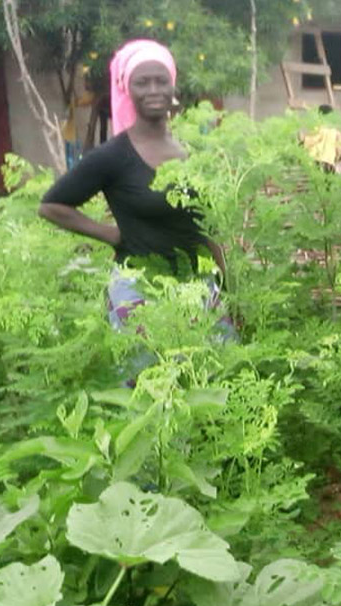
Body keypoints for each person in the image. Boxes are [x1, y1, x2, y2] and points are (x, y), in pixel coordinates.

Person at [38, 39, 231, 382]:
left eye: (161, 80)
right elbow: (52, 205)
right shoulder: (113, 156)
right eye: (143, 82)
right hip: (140, 292)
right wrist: (112, 235)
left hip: (199, 289)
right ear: (127, 87)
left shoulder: (190, 153)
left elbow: (207, 226)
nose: (154, 90)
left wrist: (228, 288)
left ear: (173, 86)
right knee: (151, 395)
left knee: (218, 385)